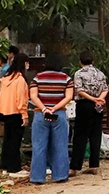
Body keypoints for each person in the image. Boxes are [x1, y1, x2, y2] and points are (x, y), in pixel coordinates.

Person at [27, 54, 74, 184]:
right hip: (59, 114)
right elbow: (68, 97)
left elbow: (33, 96)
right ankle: (60, 175)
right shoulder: (66, 79)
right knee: (60, 145)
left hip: (40, 115)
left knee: (39, 146)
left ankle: (37, 177)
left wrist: (44, 109)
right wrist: (55, 108)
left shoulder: (38, 78)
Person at [70, 50, 108, 177]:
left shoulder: (78, 74)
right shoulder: (100, 73)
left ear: (80, 62)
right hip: (98, 106)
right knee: (95, 134)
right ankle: (94, 165)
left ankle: (75, 166)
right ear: (93, 61)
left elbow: (79, 91)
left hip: (84, 105)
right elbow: (105, 89)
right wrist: (99, 99)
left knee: (80, 135)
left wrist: (92, 99)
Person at [0, 53, 29, 177]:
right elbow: (21, 99)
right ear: (23, 63)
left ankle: (5, 165)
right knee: (15, 141)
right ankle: (14, 168)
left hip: (5, 111)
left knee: (7, 139)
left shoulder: (6, 78)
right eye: (27, 62)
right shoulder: (20, 80)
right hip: (16, 112)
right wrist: (24, 115)